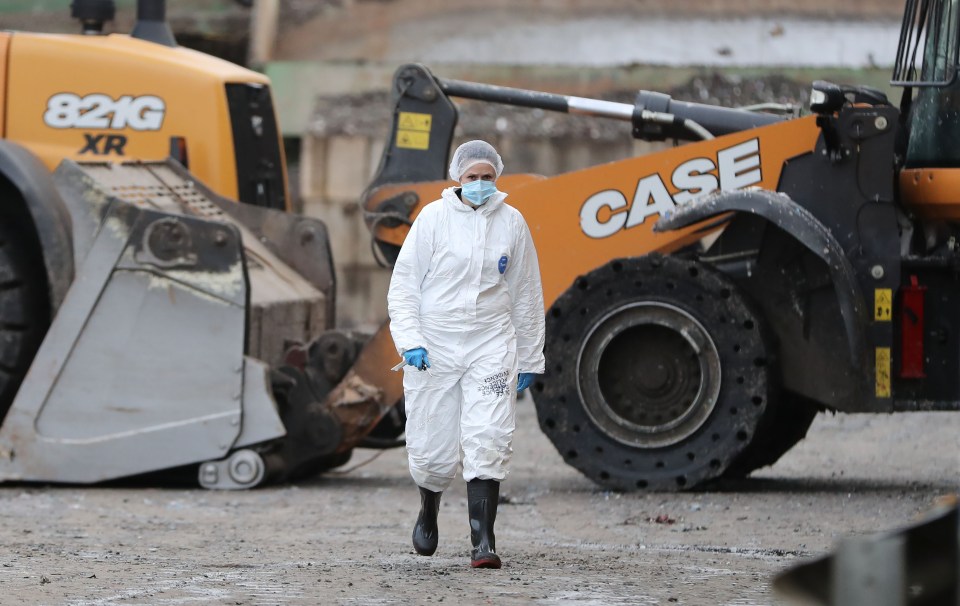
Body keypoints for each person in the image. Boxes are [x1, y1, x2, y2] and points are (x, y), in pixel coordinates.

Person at [387, 140, 546, 569]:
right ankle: (428, 509)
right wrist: (411, 341)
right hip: (435, 344)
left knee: (489, 435)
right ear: (458, 179)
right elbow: (404, 286)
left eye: (487, 178)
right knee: (431, 443)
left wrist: (530, 357)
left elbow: (527, 293)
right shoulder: (433, 220)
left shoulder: (512, 222)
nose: (479, 185)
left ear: (498, 178)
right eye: (472, 178)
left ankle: (483, 542)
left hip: (490, 342)